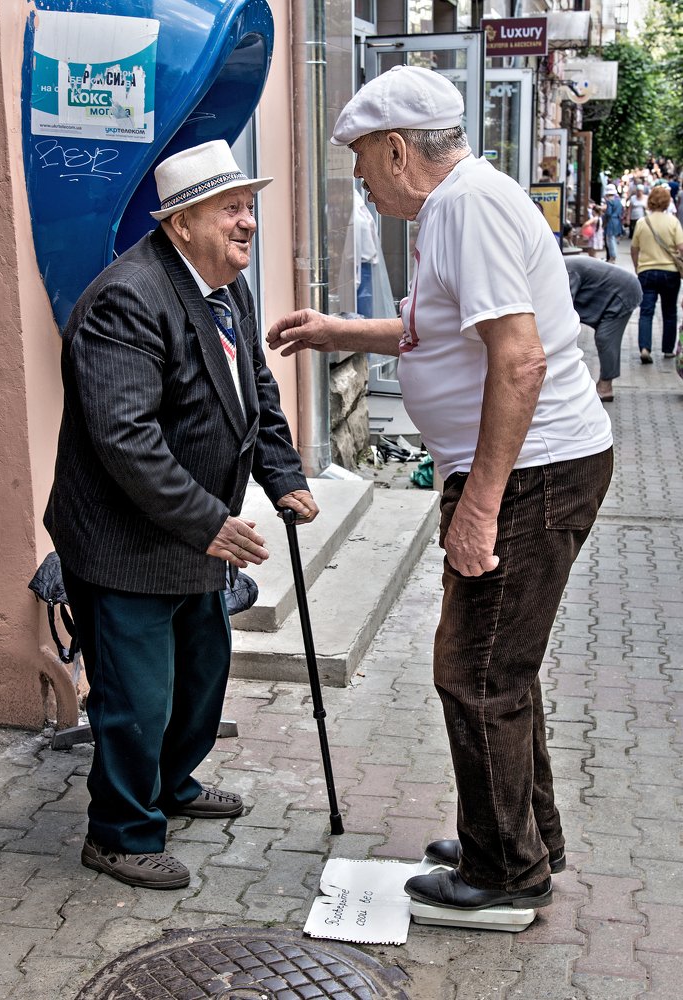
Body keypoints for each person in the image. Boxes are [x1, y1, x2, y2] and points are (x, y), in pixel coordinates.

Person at [268, 66, 613, 916]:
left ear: (396, 149)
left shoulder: (465, 207)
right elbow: (439, 331)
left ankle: (502, 877)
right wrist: (336, 330)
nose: (355, 175)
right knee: (504, 667)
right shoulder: (452, 206)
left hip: (531, 472)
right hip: (533, 467)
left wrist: (479, 506)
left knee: (476, 674)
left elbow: (520, 359)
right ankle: (518, 833)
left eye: (359, 156)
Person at [44, 140, 319, 890]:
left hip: (194, 533)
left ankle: (172, 783)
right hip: (125, 539)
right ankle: (121, 833)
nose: (248, 223)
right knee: (137, 697)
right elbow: (123, 437)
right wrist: (208, 522)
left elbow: (255, 391)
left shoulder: (225, 287)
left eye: (250, 206)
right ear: (181, 222)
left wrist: (283, 474)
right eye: (231, 209)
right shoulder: (126, 298)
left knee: (201, 676)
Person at [564, 253, 642, 401]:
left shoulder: (566, 271)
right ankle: (603, 385)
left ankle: (605, 388)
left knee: (605, 338)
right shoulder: (563, 267)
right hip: (612, 293)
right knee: (604, 337)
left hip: (624, 293)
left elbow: (564, 308)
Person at [630, 183, 683, 362]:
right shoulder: (673, 222)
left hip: (647, 271)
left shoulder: (642, 222)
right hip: (670, 272)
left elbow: (634, 248)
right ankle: (668, 349)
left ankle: (645, 348)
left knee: (646, 312)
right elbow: (681, 248)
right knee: (669, 311)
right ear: (668, 202)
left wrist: (638, 266)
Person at [603, 183, 624, 262]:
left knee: (610, 240)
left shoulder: (609, 202)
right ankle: (613, 256)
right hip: (617, 220)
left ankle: (613, 256)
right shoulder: (618, 201)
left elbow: (608, 213)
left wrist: (604, 219)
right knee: (614, 239)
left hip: (611, 221)